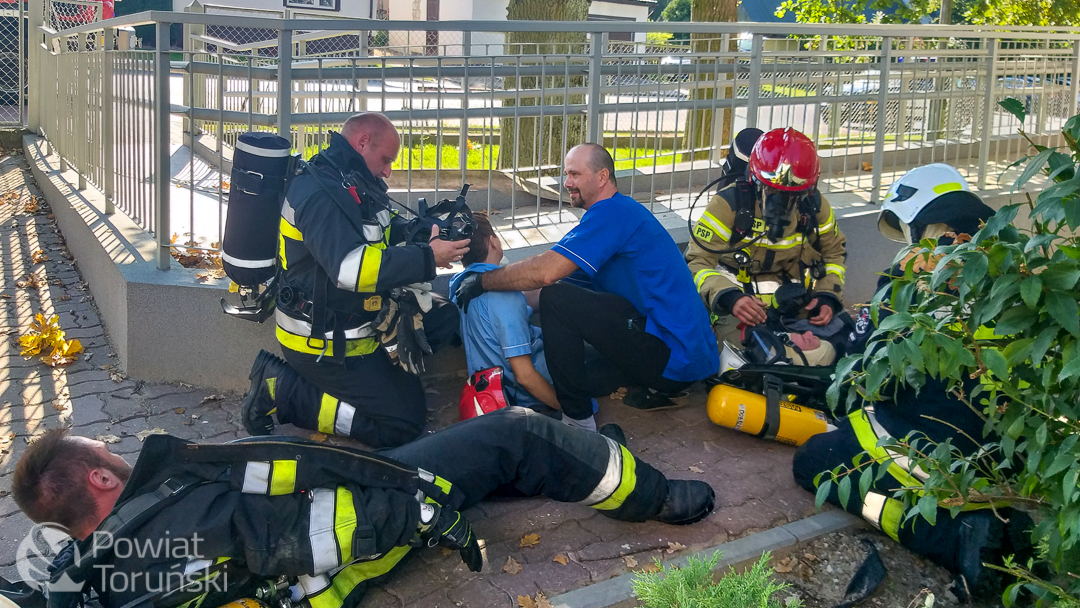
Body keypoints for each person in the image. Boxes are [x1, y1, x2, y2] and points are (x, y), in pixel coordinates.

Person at [12, 407, 716, 608]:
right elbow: (317, 532)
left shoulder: (98, 568)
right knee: (511, 432)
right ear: (102, 483)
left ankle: (569, 456)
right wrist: (420, 513)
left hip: (302, 549)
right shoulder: (186, 521)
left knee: (468, 453)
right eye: (107, 452)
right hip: (349, 544)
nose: (118, 453)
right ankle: (649, 495)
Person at [791, 164, 1033, 600]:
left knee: (813, 463)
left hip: (932, 450)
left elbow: (862, 369)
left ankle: (953, 537)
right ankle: (1002, 529)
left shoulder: (912, 274)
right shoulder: (1016, 261)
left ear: (921, 219)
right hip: (1008, 454)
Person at [240, 113, 471, 449]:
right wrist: (427, 258)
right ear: (363, 142)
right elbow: (350, 269)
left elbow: (383, 229)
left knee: (445, 317)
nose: (388, 170)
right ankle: (280, 389)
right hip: (325, 341)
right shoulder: (321, 193)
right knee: (403, 425)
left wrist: (421, 231)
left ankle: (385, 375)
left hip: (357, 318)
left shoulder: (351, 178)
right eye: (386, 160)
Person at [454, 144, 719, 430]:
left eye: (575, 174)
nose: (567, 183)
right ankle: (652, 390)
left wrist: (483, 280)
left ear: (602, 176)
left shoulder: (614, 213)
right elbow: (543, 287)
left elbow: (546, 274)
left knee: (558, 301)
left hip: (676, 357)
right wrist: (489, 304)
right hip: (671, 352)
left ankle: (578, 420)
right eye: (566, 174)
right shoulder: (605, 218)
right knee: (569, 370)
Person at [685, 128, 848, 351]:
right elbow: (696, 263)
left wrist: (828, 296)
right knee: (751, 360)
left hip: (795, 308)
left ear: (809, 190)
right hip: (738, 311)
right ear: (753, 179)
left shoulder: (816, 207)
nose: (780, 203)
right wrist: (730, 298)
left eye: (792, 196)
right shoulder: (729, 205)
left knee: (848, 345)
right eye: (770, 192)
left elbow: (834, 254)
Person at [448, 212, 560, 414]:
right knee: (600, 368)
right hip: (526, 397)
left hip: (489, 389)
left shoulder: (457, 284)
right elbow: (525, 376)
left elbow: (497, 318)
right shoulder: (507, 298)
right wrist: (568, 409)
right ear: (493, 242)